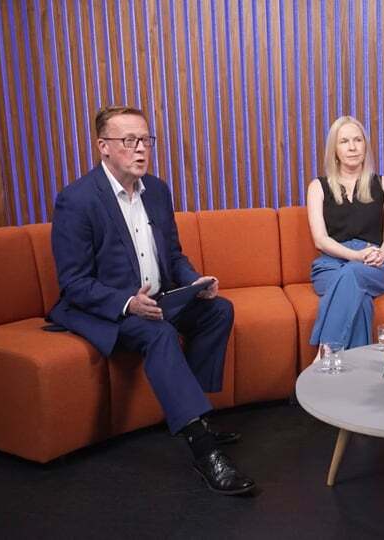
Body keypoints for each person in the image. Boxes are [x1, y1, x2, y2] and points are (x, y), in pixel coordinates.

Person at [49, 106, 255, 495]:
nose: (141, 149)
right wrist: (128, 303)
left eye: (146, 140)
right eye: (130, 141)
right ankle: (203, 447)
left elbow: (173, 256)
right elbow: (73, 283)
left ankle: (191, 412)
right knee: (158, 333)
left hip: (158, 298)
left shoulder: (157, 191)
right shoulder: (76, 201)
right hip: (107, 308)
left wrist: (195, 281)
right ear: (103, 147)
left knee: (218, 310)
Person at [306, 116, 384, 350]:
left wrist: (380, 254)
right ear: (334, 150)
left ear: (365, 145)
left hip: (374, 264)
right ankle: (353, 377)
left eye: (358, 140)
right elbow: (320, 240)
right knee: (360, 300)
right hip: (330, 264)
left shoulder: (383, 183)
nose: (352, 147)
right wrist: (355, 256)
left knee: (353, 276)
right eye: (344, 141)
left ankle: (325, 353)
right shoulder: (317, 187)